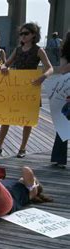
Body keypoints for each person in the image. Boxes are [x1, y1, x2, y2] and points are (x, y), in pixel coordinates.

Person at [0, 22, 53, 158]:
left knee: (27, 120)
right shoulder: (18, 50)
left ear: (33, 35)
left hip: (30, 89)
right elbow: (5, 64)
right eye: (21, 34)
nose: (23, 36)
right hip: (15, 90)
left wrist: (43, 76)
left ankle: (22, 148)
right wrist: (3, 68)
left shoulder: (38, 50)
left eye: (26, 33)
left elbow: (50, 68)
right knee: (6, 118)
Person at [50, 31, 70, 169]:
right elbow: (63, 69)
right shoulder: (66, 52)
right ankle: (59, 157)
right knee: (64, 124)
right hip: (67, 88)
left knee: (65, 124)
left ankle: (59, 157)